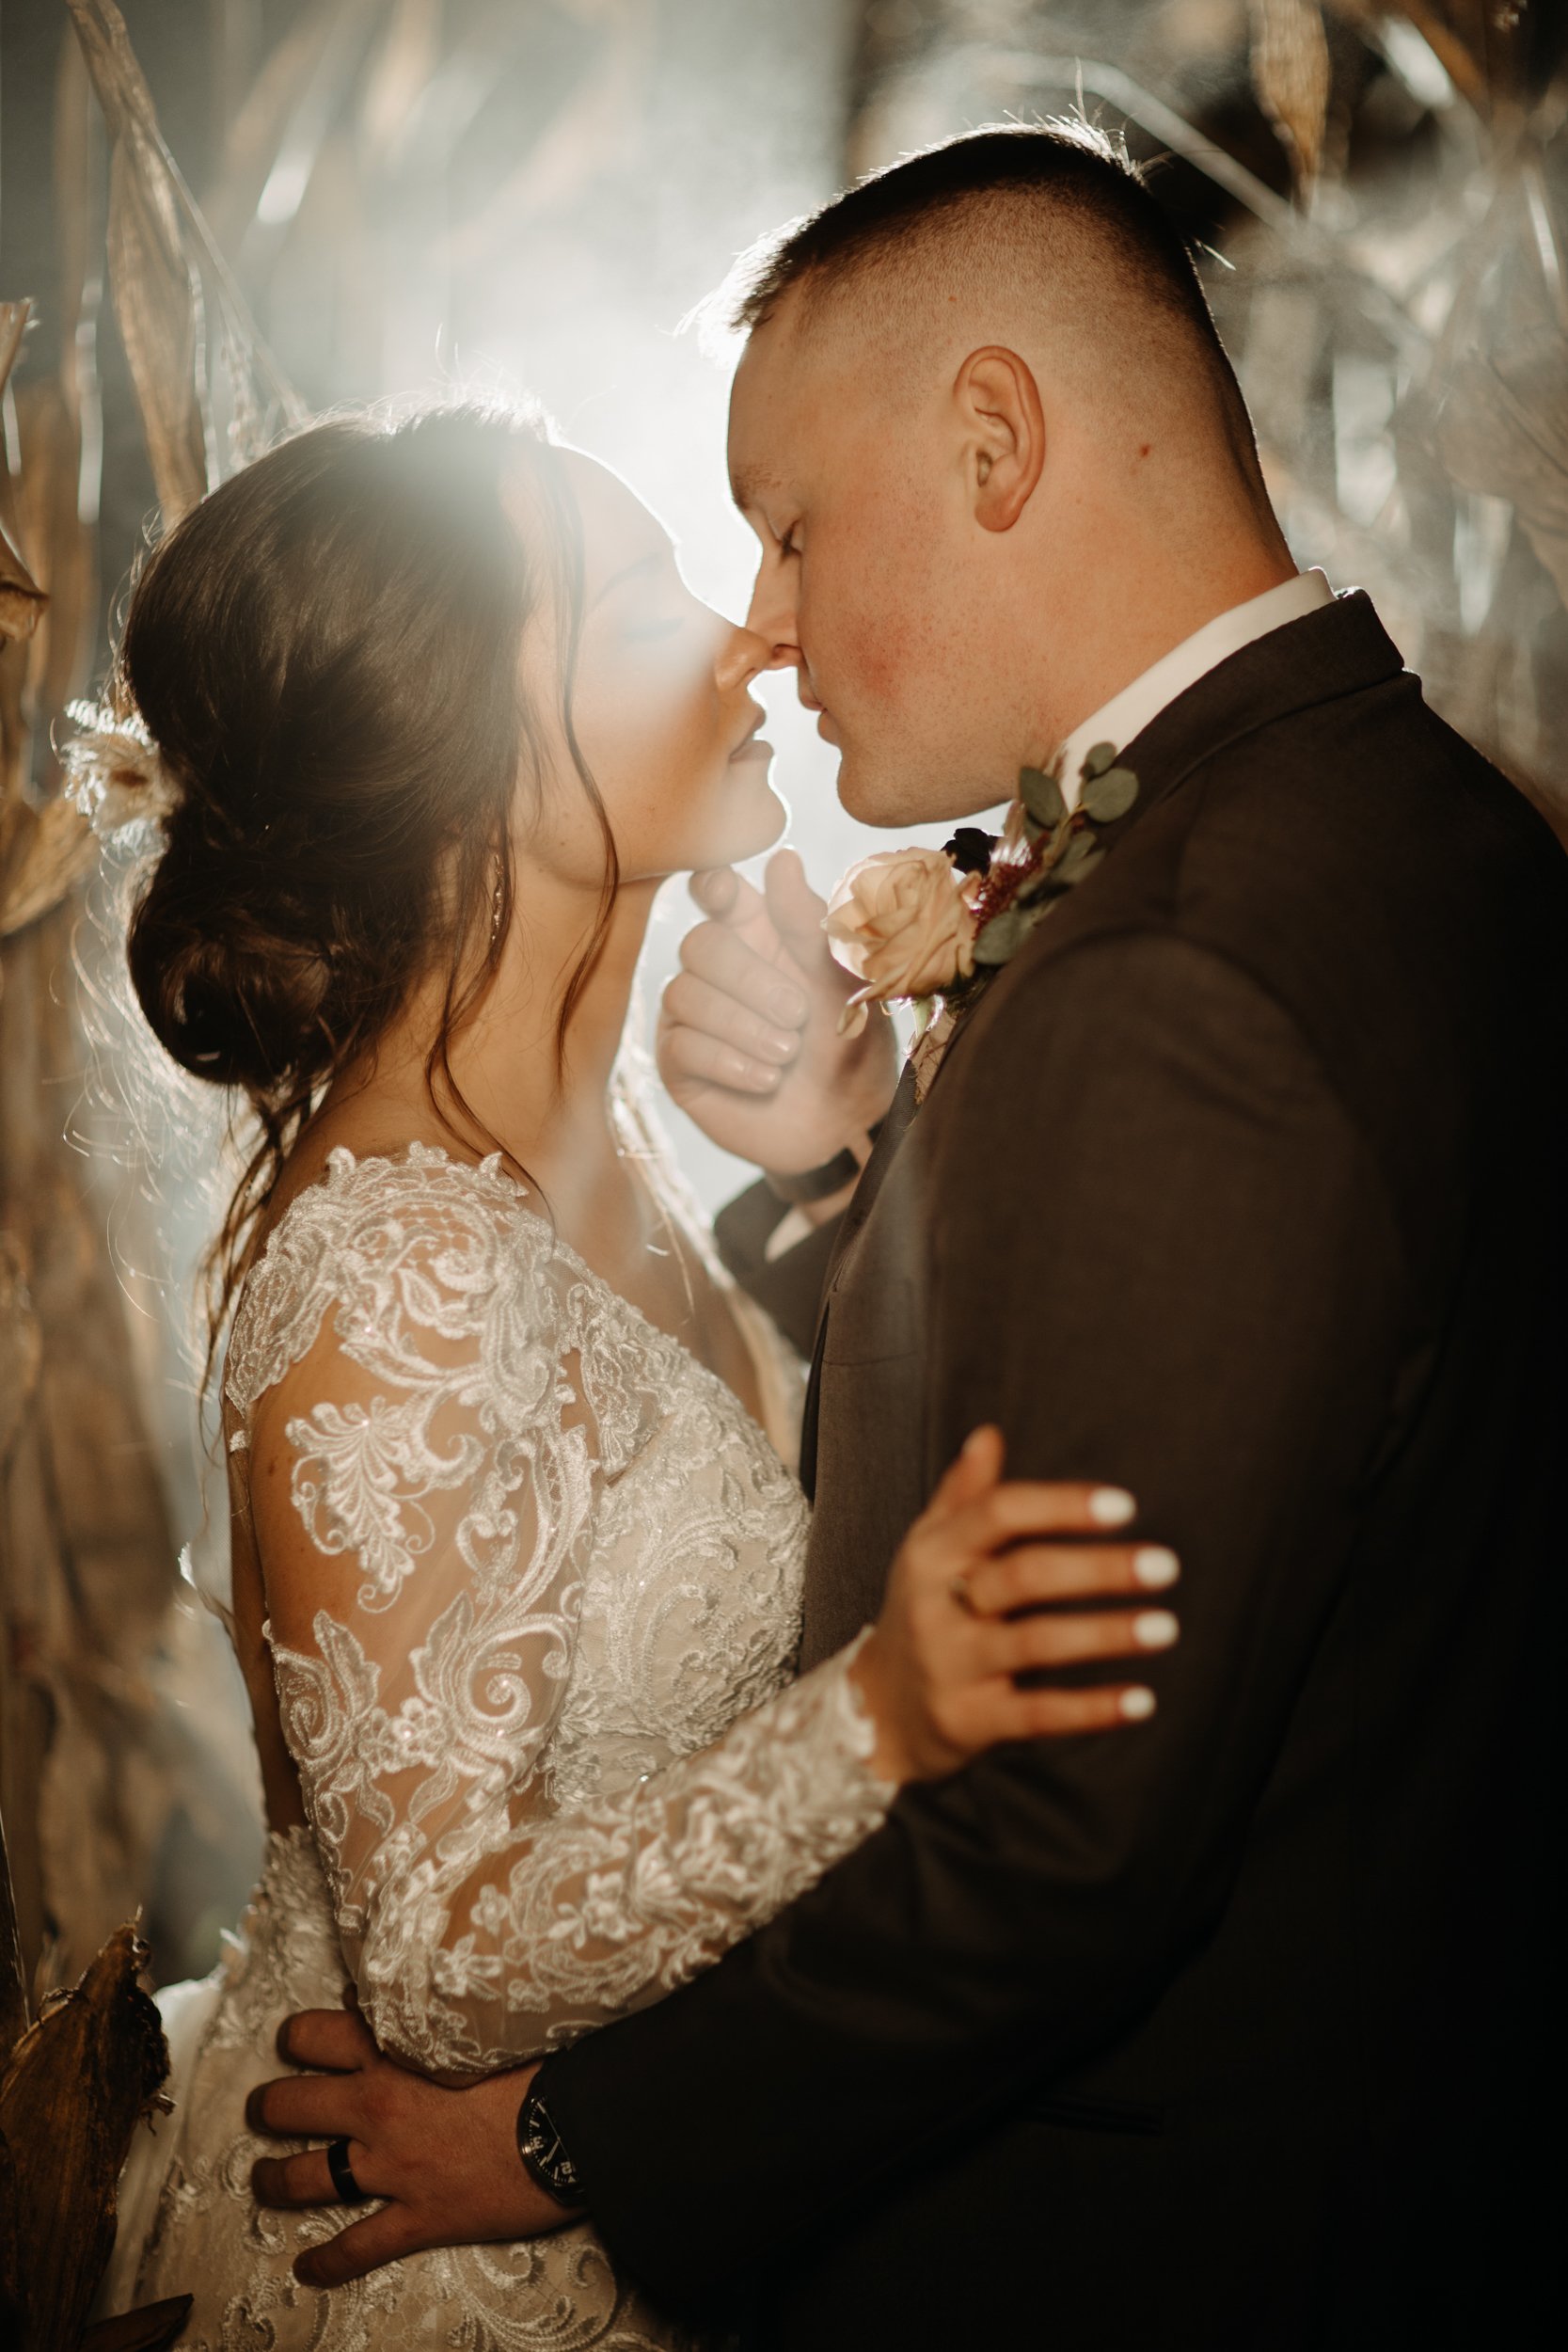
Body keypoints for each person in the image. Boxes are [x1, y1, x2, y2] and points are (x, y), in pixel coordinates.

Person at [249, 126, 1568, 2348]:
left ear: (992, 438)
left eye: (784, 522)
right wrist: (852, 1177)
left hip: (1134, 2238)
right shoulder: (1419, 829)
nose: (763, 619)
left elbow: (1067, 1836)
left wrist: (561, 2137)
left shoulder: (1187, 975)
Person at [87, 400, 1175, 2350]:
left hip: (686, 2224)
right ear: (487, 745)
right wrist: (879, 1721)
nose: (753, 631)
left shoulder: (612, 1161)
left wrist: (844, 1167)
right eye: (653, 590)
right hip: (441, 2282)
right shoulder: (398, 1263)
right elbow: (428, 1963)